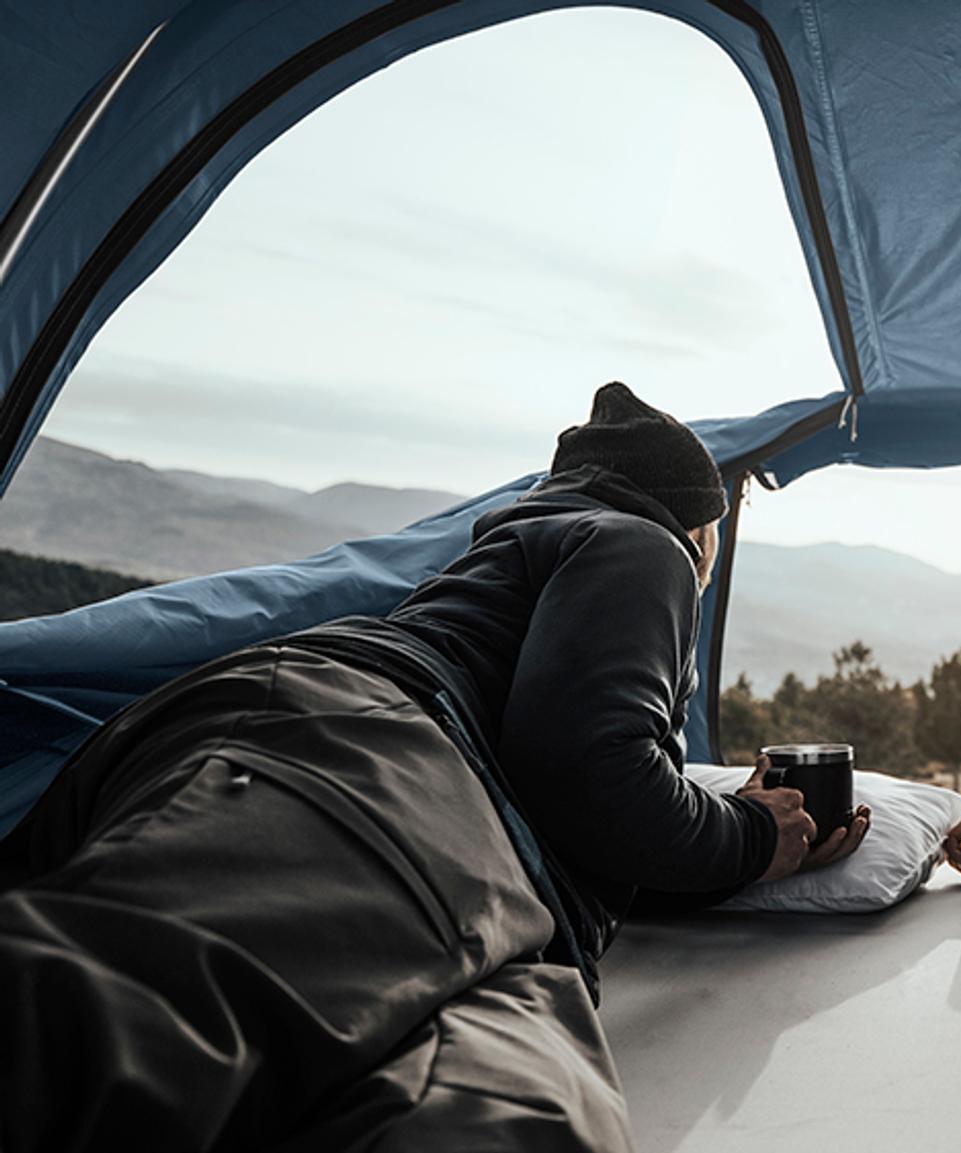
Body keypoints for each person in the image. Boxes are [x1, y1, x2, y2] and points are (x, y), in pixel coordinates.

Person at [0, 382, 868, 1152]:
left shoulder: (505, 554)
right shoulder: (644, 544)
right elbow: (589, 767)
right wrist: (750, 834)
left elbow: (581, 804)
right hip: (368, 765)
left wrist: (734, 840)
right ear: (698, 519)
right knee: (124, 1025)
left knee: (514, 1117)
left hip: (469, 876)